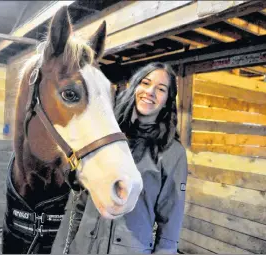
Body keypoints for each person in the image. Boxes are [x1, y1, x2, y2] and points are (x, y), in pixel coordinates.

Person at [51, 62, 188, 254]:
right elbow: (77, 203)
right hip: (83, 248)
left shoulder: (172, 152)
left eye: (161, 89)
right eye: (145, 83)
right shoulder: (103, 136)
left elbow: (170, 224)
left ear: (167, 100)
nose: (150, 92)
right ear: (134, 87)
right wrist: (59, 250)